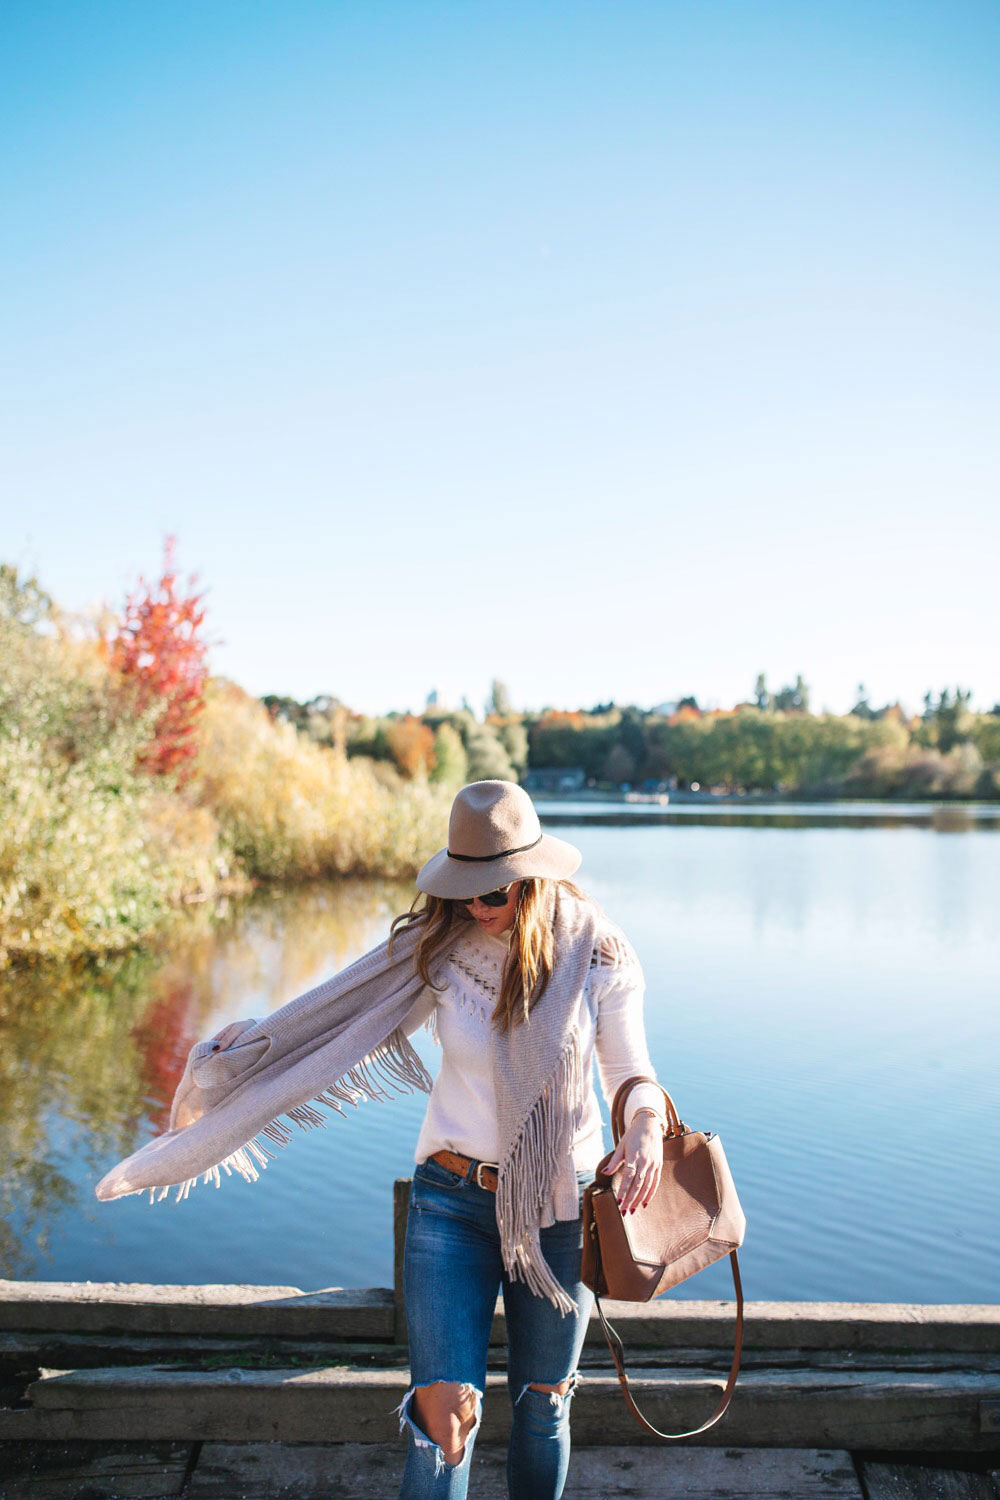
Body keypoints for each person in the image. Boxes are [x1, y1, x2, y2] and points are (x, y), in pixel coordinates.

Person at [388, 779, 670, 1499]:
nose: (478, 909)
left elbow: (631, 1071)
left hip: (556, 1212)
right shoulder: (441, 947)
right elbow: (342, 1017)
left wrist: (643, 1130)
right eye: (465, 892)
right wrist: (256, 1050)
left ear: (533, 880)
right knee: (444, 1417)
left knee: (542, 1408)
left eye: (494, 894)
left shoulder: (598, 953)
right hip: (451, 1203)